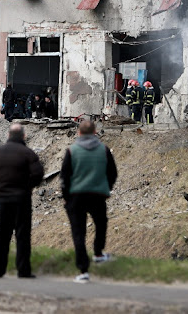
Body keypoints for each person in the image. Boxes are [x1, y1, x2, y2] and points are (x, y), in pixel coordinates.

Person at [0, 123, 44, 278]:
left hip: (3, 199)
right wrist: (27, 187)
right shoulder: (28, 154)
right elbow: (38, 174)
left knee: (1, 235)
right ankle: (23, 270)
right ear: (23, 136)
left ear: (8, 135)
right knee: (22, 236)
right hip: (22, 199)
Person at [60, 119, 118, 284]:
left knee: (78, 233)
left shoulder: (72, 151)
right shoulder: (104, 150)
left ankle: (83, 270)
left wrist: (66, 196)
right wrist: (107, 189)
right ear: (95, 132)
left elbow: (64, 176)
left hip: (76, 196)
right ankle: (98, 253)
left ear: (79, 133)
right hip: (97, 194)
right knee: (101, 224)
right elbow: (112, 173)